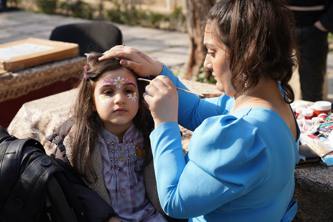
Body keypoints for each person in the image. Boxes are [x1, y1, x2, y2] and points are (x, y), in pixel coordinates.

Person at [99, 0, 300, 221]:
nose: (205, 63)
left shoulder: (242, 133)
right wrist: (158, 72)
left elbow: (174, 201)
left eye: (213, 52)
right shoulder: (274, 101)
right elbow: (197, 111)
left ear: (247, 51)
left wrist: (165, 124)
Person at [51, 52, 168, 222]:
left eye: (128, 91)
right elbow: (72, 190)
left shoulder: (151, 132)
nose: (119, 99)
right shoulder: (76, 142)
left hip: (151, 216)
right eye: (108, 92)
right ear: (91, 101)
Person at [287, 0, 333, 101]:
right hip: (279, 27)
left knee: (312, 93)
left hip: (315, 30)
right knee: (273, 88)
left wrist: (325, 23)